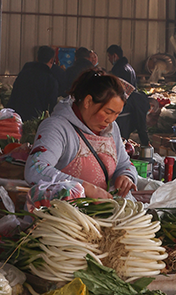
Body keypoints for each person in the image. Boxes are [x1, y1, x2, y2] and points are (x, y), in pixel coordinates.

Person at [25, 70, 138, 199]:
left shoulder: (112, 129)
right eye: (108, 112)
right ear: (88, 102)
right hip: (62, 215)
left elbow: (124, 164)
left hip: (102, 215)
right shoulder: (57, 127)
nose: (111, 119)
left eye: (116, 114)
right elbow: (35, 169)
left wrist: (126, 176)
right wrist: (84, 187)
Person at [7, 46, 59, 123]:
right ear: (52, 60)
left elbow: (14, 95)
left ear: (37, 58)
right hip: (36, 122)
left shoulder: (24, 73)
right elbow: (52, 105)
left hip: (16, 119)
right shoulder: (50, 80)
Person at [116, 81, 151, 148]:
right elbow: (141, 124)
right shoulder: (141, 102)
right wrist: (146, 142)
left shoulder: (135, 96)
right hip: (121, 121)